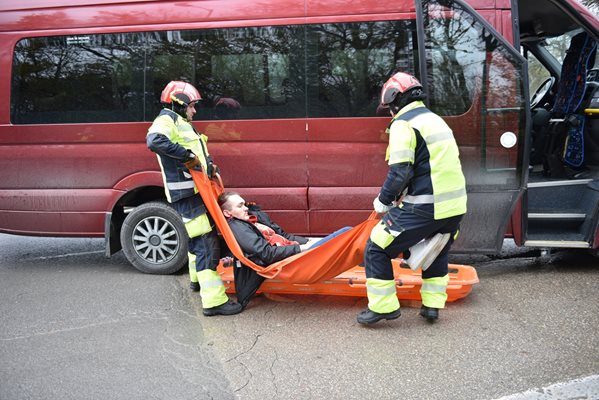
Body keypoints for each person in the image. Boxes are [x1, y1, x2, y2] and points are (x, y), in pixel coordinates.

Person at [357, 72, 467, 325]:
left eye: (389, 108)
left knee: (377, 247)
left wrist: (383, 200)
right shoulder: (435, 120)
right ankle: (432, 307)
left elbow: (400, 172)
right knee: (435, 248)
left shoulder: (404, 124)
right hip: (455, 206)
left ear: (394, 99)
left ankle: (384, 307)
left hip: (426, 206)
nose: (389, 113)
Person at [146, 80, 242, 317]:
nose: (194, 110)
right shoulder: (166, 120)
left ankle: (196, 281)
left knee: (195, 239)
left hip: (195, 191)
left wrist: (208, 166)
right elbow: (155, 141)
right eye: (192, 106)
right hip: (188, 193)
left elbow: (196, 152)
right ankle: (214, 302)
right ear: (179, 103)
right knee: (206, 242)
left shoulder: (180, 122)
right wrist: (187, 155)